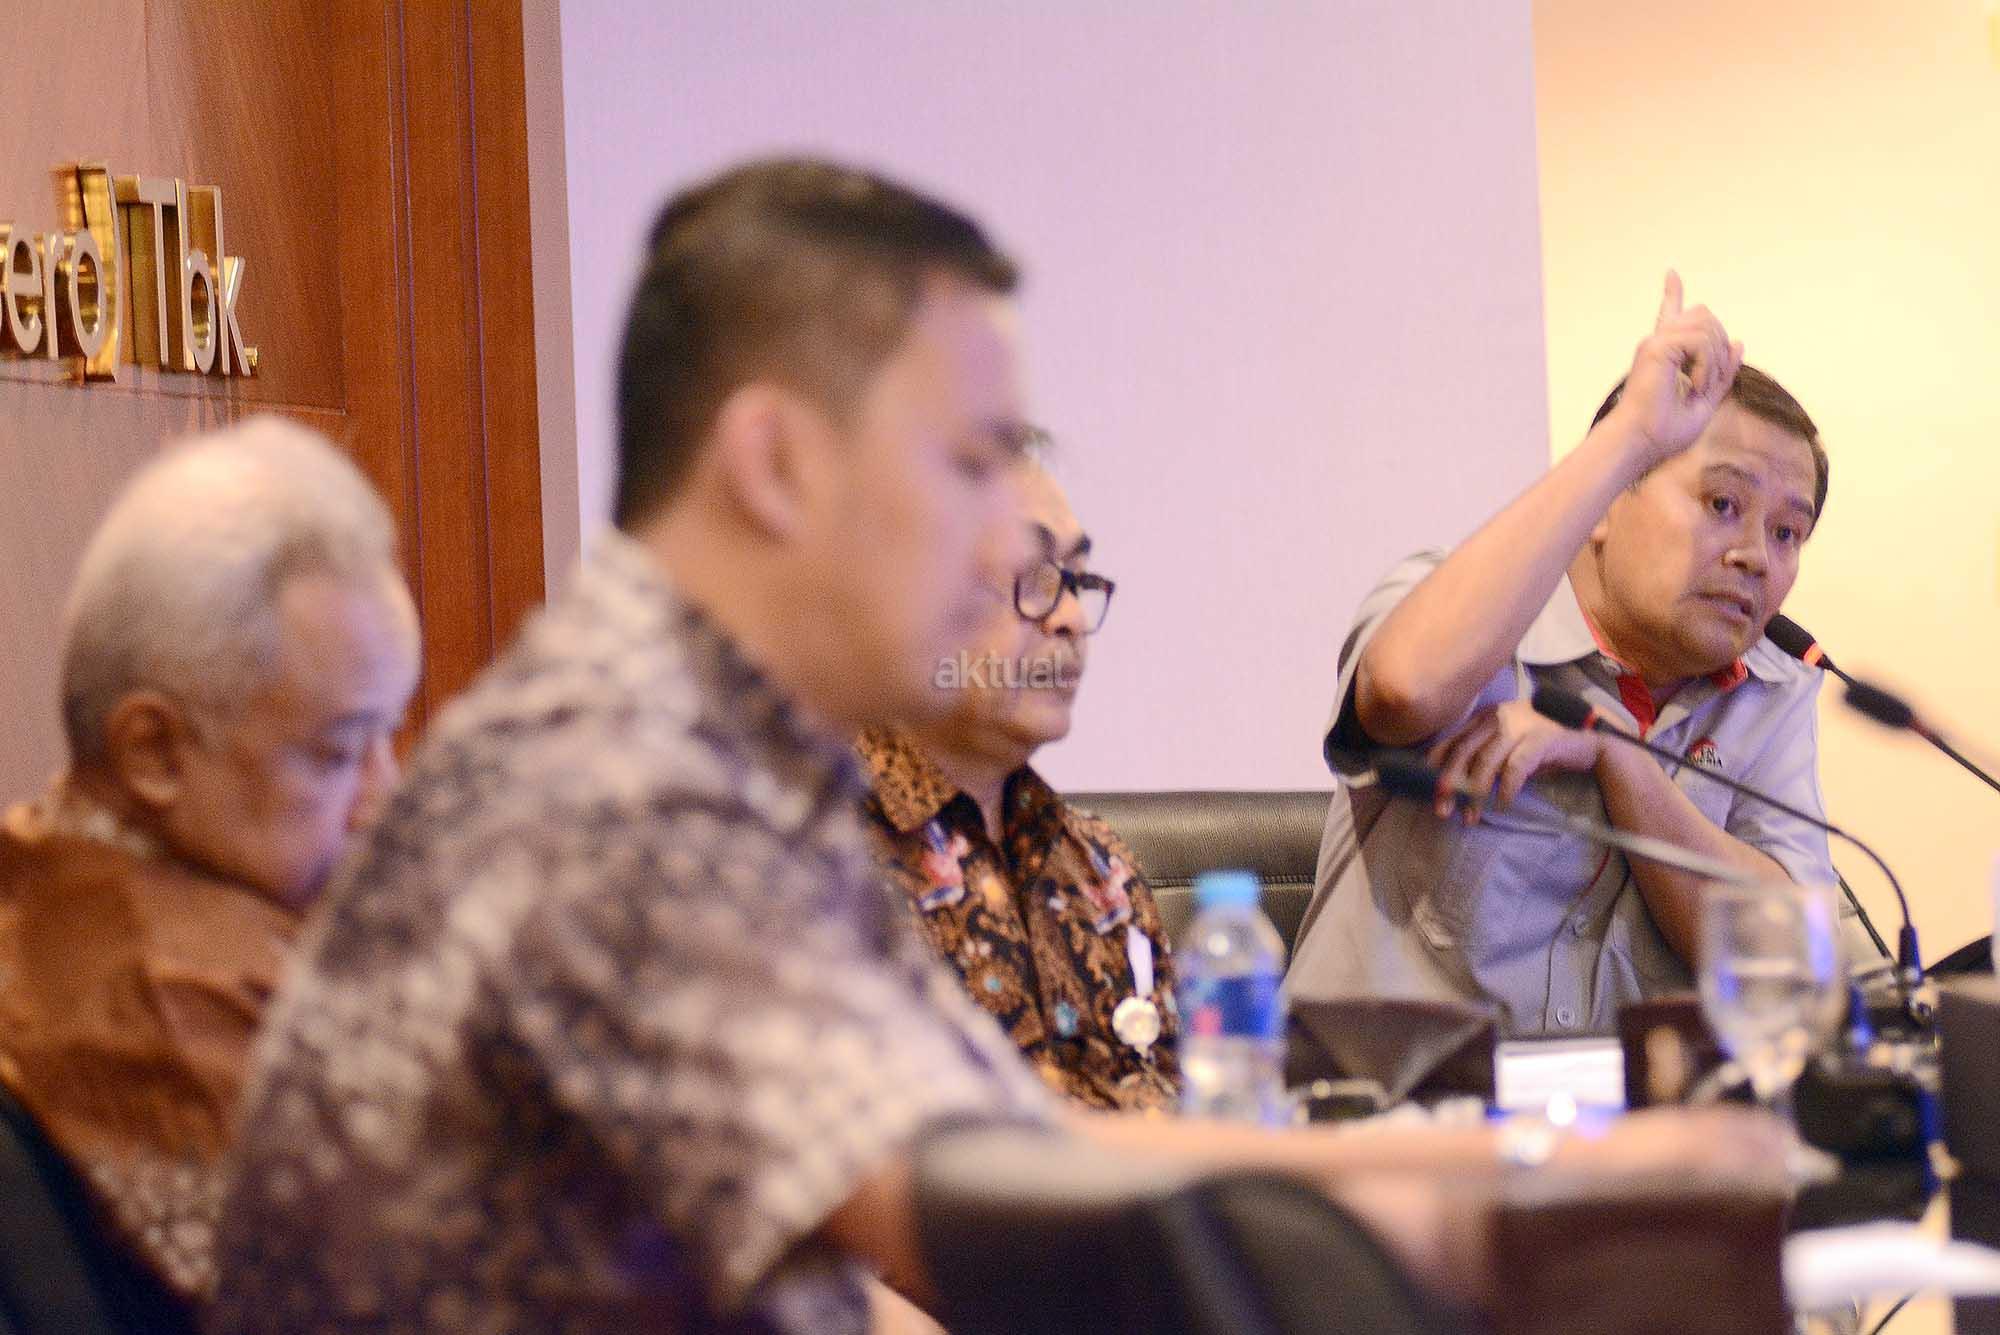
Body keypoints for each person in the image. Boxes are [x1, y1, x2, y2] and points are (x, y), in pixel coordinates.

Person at [211, 165, 1782, 1333]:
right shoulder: (629, 797)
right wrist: (1491, 1207)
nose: (1017, 562)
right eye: (966, 464)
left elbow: (1010, 1154)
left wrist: (1524, 1180)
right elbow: (947, 1209)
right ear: (779, 464)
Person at [1288, 273, 1837, 1036]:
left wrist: (1618, 758)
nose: (1755, 555)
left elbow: (1794, 960)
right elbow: (1405, 689)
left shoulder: (1767, 693)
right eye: (1722, 504)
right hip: (1388, 1101)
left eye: (1787, 533)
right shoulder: (1472, 611)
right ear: (1611, 498)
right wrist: (1634, 432)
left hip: (1621, 1112)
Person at [0, 417, 419, 1307]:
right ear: (153, 751)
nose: (385, 798)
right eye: (339, 752)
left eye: (390, 736)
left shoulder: (35, 871)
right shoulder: (178, 1026)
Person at [859, 461, 1178, 1113]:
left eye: (1077, 580)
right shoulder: (817, 858)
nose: (1071, 618)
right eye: (1033, 576)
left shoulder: (1102, 870)